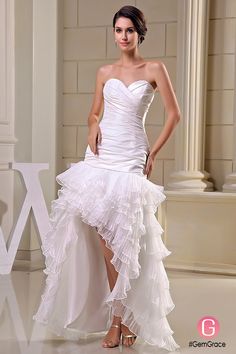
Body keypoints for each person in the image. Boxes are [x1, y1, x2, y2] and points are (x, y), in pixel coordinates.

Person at [33, 5, 181, 352]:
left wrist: (154, 153)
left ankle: (122, 322)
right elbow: (94, 110)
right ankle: (118, 319)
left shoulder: (154, 68)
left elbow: (175, 115)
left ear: (139, 33)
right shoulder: (104, 71)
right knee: (104, 240)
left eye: (129, 30)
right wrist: (92, 125)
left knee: (125, 241)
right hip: (101, 156)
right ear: (113, 33)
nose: (123, 36)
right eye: (118, 30)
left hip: (131, 155)